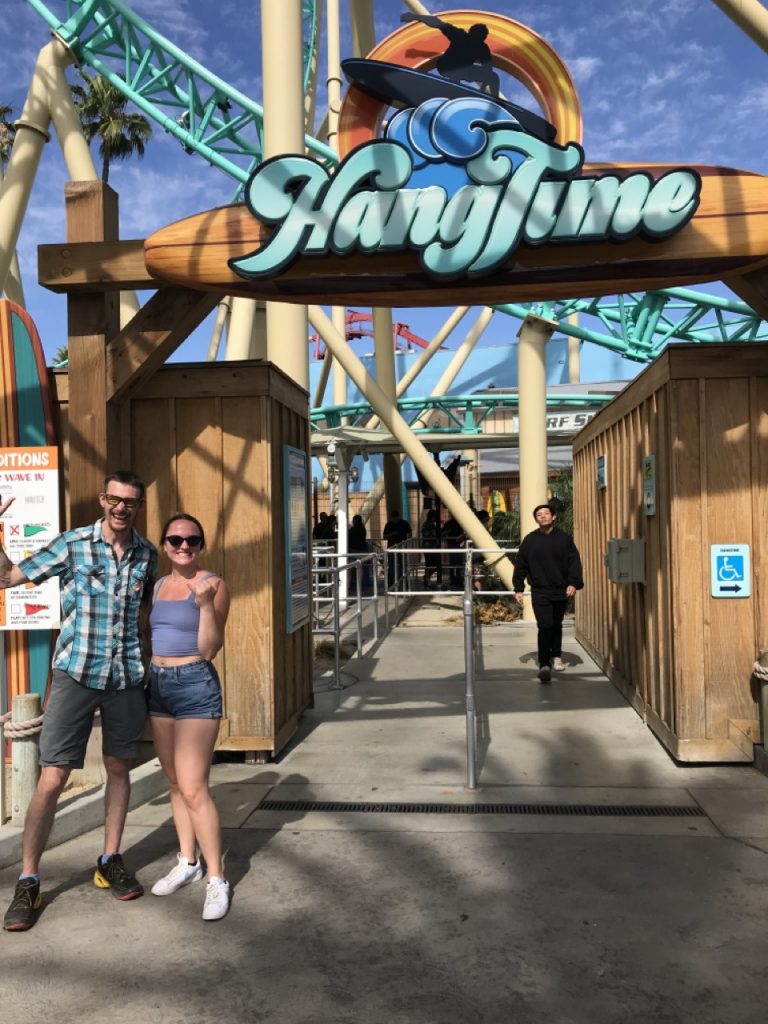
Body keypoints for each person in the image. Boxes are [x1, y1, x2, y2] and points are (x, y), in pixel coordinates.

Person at [2, 471, 157, 932]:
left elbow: (144, 616)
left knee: (118, 768)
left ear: (139, 505)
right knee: (53, 777)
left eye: (131, 501)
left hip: (126, 676)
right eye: (115, 499)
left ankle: (109, 859)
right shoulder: (72, 544)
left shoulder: (147, 554)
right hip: (76, 674)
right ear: (102, 499)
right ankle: (29, 879)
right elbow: (8, 577)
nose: (122, 508)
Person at [147, 512, 231, 921]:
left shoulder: (213, 584)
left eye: (191, 540)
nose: (183, 546)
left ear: (201, 545)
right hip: (157, 685)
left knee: (195, 786)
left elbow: (210, 648)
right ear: (164, 544)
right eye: (176, 540)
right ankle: (188, 861)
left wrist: (204, 606)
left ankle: (217, 877)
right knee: (175, 783)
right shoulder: (158, 584)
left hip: (195, 684)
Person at [512, 503, 583, 683]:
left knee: (556, 625)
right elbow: (521, 565)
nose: (543, 516)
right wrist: (518, 588)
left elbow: (574, 562)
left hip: (561, 589)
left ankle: (556, 656)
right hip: (540, 590)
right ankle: (544, 664)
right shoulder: (530, 540)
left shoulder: (564, 539)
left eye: (546, 513)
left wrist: (573, 583)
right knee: (544, 626)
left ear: (553, 517)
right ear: (536, 519)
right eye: (539, 515)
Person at [401, 12, 500, 97]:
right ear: (471, 33)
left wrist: (483, 89)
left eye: (480, 38)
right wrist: (415, 16)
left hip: (465, 70)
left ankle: (497, 101)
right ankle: (454, 86)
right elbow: (438, 23)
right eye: (477, 37)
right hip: (446, 66)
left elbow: (487, 70)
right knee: (460, 67)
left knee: (493, 77)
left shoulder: (482, 48)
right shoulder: (459, 35)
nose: (477, 41)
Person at [382, 509, 412, 586]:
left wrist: (406, 541)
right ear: (392, 518)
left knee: (403, 565)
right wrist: (392, 534)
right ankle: (391, 581)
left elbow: (409, 534)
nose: (395, 520)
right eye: (393, 518)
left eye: (396, 518)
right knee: (392, 565)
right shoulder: (389, 524)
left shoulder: (404, 524)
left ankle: (404, 581)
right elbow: (384, 536)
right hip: (392, 548)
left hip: (402, 547)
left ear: (398, 517)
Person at [441, 513, 465, 589]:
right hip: (454, 545)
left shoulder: (457, 522)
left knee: (457, 563)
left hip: (457, 545)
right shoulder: (452, 523)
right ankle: (455, 580)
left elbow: (442, 533)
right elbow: (442, 533)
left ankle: (457, 580)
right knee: (455, 563)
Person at [421, 509, 442, 589]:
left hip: (432, 547)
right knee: (430, 565)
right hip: (429, 547)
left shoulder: (432, 524)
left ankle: (427, 578)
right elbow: (427, 535)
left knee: (434, 565)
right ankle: (427, 580)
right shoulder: (427, 524)